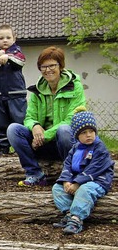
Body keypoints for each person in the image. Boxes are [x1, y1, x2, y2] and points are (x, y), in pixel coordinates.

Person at [7, 46, 86, 186]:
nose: (48, 70)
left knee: (64, 129)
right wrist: (35, 126)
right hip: (40, 144)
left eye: (52, 65)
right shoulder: (37, 90)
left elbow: (71, 119)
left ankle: (71, 172)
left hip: (64, 142)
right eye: (43, 67)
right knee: (13, 129)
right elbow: (29, 117)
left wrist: (44, 136)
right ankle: (34, 173)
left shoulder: (75, 87)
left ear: (60, 66)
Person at [52, 107, 114, 235]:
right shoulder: (75, 148)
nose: (89, 135)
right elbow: (68, 164)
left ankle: (77, 219)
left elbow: (95, 168)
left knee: (85, 190)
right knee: (57, 188)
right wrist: (66, 181)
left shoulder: (99, 148)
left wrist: (77, 183)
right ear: (76, 135)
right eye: (84, 132)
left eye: (91, 131)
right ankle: (69, 214)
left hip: (97, 180)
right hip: (78, 180)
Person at [0, 24, 27, 155]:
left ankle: (21, 147)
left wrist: (7, 57)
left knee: (19, 120)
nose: (5, 40)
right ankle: (3, 147)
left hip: (16, 95)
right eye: (1, 38)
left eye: (8, 37)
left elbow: (21, 62)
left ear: (14, 39)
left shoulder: (17, 53)